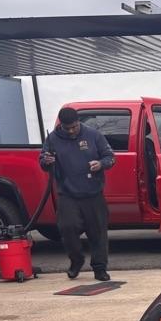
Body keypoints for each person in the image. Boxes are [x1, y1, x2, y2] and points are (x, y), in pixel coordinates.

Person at [39, 107, 115, 280]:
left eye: (74, 127)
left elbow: (110, 157)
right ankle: (76, 260)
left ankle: (100, 268)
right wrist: (46, 161)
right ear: (61, 125)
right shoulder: (52, 139)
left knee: (98, 233)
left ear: (78, 122)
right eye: (68, 128)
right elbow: (42, 161)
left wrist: (101, 164)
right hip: (67, 194)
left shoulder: (94, 135)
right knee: (67, 228)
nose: (72, 131)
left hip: (93, 193)